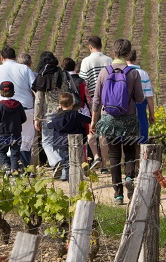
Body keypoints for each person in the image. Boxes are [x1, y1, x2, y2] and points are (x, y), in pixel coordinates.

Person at [91, 38, 144, 205]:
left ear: (113, 53)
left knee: (113, 155)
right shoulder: (133, 73)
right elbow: (140, 98)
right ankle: (129, 175)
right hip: (128, 118)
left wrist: (93, 120)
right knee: (129, 150)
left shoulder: (104, 72)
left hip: (109, 119)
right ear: (128, 53)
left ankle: (118, 195)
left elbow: (97, 99)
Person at [32, 51, 79, 177]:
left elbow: (39, 100)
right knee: (62, 143)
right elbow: (72, 91)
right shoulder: (64, 74)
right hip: (64, 112)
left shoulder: (42, 76)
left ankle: (56, 161)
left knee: (46, 142)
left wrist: (36, 118)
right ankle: (65, 173)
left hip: (48, 114)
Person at [79, 36, 112, 171]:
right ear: (101, 45)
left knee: (91, 130)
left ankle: (96, 156)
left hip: (92, 99)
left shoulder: (86, 61)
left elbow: (83, 82)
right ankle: (104, 165)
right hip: (107, 99)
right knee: (104, 132)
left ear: (90, 47)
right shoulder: (109, 60)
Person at [61, 57, 100, 167]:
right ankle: (90, 159)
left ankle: (73, 163)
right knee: (88, 134)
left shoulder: (63, 82)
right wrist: (93, 113)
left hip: (67, 112)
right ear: (74, 67)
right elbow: (88, 98)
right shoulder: (81, 81)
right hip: (82, 110)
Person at [46, 92, 88, 181]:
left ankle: (67, 177)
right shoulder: (76, 115)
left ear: (60, 105)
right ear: (73, 103)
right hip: (76, 142)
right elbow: (88, 119)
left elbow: (49, 125)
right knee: (76, 162)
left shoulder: (57, 117)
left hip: (61, 143)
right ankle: (73, 179)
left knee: (66, 163)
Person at [0, 81, 26, 174]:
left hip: (3, 133)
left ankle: (6, 167)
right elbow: (24, 118)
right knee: (15, 154)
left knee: (1, 151)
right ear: (13, 91)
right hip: (16, 133)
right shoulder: (18, 104)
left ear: (0, 91)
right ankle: (15, 173)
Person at [126, 49, 155, 143]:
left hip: (125, 108)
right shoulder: (143, 73)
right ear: (135, 58)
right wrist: (152, 114)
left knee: (126, 141)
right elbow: (149, 97)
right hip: (140, 109)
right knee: (141, 140)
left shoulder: (122, 72)